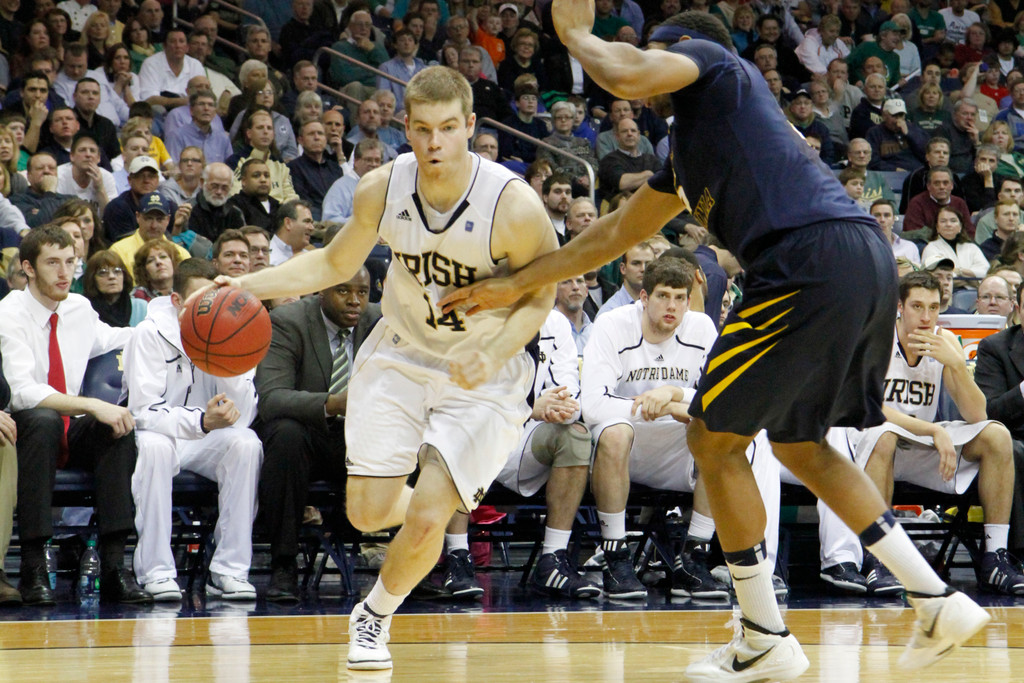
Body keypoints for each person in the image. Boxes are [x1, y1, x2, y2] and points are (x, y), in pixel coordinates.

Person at [441, 9, 990, 679]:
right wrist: (518, 282)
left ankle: (764, 634)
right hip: (854, 260)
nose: (647, 62)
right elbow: (608, 237)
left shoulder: (715, 66)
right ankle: (935, 598)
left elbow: (627, 71)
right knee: (799, 445)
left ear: (681, 51)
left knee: (711, 437)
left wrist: (576, 36)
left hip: (803, 257)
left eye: (655, 52)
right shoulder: (690, 153)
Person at [206, 65, 558, 671]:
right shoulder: (383, 187)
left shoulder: (513, 204)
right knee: (367, 512)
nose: (435, 143)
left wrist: (496, 350)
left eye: (449, 128)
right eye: (422, 129)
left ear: (470, 126)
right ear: (406, 128)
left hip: (483, 370)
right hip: (400, 350)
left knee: (425, 517)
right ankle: (433, 508)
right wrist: (246, 284)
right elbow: (330, 263)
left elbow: (542, 294)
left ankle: (374, 614)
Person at [582, 255, 780, 600]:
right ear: (643, 299)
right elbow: (593, 406)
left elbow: (719, 400)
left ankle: (694, 556)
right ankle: (615, 556)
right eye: (662, 296)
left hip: (675, 447)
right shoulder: (612, 324)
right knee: (614, 432)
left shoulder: (701, 327)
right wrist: (660, 405)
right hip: (625, 443)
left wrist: (676, 396)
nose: (670, 306)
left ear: (689, 301)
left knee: (721, 434)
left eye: (679, 298)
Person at [0, 226, 151, 606]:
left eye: (70, 262)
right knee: (45, 419)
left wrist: (169, 323)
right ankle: (33, 566)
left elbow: (116, 338)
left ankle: (116, 565)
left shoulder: (79, 308)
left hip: (68, 427)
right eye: (53, 263)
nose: (64, 272)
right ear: (29, 268)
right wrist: (90, 404)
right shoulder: (8, 314)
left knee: (117, 427)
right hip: (25, 430)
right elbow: (22, 393)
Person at [856, 271, 1024, 595]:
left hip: (920, 445)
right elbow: (872, 409)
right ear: (900, 307)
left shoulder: (944, 340)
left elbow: (978, 414)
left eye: (933, 308)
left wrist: (958, 365)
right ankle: (880, 560)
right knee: (884, 435)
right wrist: (934, 430)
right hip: (871, 440)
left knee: (997, 436)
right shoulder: (876, 337)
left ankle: (995, 557)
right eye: (917, 306)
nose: (926, 316)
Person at [124, 258, 262, 602]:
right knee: (155, 448)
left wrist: (231, 368)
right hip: (159, 434)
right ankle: (156, 571)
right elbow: (142, 413)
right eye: (199, 302)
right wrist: (199, 421)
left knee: (247, 443)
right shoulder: (149, 332)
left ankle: (229, 571)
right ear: (175, 301)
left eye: (213, 301)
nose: (207, 310)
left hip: (204, 437)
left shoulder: (232, 329)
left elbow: (242, 414)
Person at [254, 265, 382, 601]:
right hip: (310, 437)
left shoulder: (382, 323)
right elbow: (271, 398)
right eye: (343, 291)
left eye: (363, 293)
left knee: (419, 439)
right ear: (320, 289)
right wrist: (333, 403)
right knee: (285, 434)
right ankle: (284, 563)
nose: (355, 301)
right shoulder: (288, 322)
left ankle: (420, 565)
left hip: (362, 438)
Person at [109, 192, 190, 269]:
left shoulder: (180, 254)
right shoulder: (118, 252)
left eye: (159, 219)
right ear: (138, 217)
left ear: (168, 220)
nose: (154, 226)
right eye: (148, 218)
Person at [288, 119, 343, 222]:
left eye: (320, 134)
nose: (317, 137)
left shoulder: (336, 169)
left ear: (325, 139)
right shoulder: (293, 168)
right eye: (311, 134)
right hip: (313, 222)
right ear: (300, 140)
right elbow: (303, 202)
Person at [321, 139, 384, 224]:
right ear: (356, 161)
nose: (373, 164)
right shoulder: (341, 188)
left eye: (377, 160)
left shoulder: (383, 187)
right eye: (368, 160)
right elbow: (329, 220)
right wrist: (359, 222)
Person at [82, 249, 147, 327]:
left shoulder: (141, 307)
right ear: (92, 278)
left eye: (117, 271)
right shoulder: (85, 309)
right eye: (103, 272)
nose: (111, 277)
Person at [920, 206, 990, 278]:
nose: (948, 224)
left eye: (953, 221)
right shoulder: (931, 248)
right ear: (937, 227)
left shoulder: (972, 247)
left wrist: (959, 271)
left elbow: (985, 272)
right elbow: (939, 275)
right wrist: (970, 279)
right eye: (943, 221)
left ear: (960, 227)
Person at [165, 89, 232, 164]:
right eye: (201, 104)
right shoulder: (176, 136)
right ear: (191, 110)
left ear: (215, 112)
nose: (206, 108)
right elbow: (174, 169)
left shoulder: (223, 139)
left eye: (210, 105)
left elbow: (230, 168)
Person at [10, 152, 72, 228]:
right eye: (40, 168)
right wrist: (49, 191)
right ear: (29, 176)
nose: (46, 171)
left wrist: (42, 212)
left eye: (51, 168)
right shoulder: (17, 201)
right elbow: (41, 225)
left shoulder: (70, 200)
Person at [186, 162, 245, 242]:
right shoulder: (189, 210)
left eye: (224, 187)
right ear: (202, 182)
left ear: (231, 187)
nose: (219, 192)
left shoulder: (235, 213)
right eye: (214, 186)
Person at [596, 241, 654, 317]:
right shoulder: (610, 312)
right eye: (636, 263)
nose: (643, 269)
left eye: (648, 264)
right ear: (623, 268)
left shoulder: (660, 306)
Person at [227, 159, 280, 232]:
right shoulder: (235, 206)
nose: (263, 180)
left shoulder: (278, 206)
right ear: (244, 181)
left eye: (266, 176)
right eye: (256, 176)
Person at [268, 199, 314, 267]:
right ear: (288, 223)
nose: (312, 228)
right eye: (307, 221)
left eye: (312, 223)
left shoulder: (311, 258)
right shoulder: (266, 257)